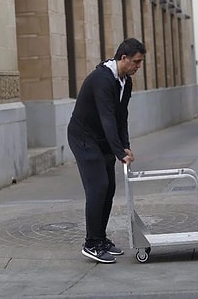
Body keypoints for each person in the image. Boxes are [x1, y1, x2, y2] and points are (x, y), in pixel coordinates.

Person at [67, 38, 146, 263]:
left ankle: (100, 239)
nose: (138, 67)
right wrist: (119, 152)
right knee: (98, 186)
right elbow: (107, 118)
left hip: (101, 139)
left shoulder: (125, 82)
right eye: (136, 62)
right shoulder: (102, 79)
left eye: (140, 63)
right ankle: (91, 243)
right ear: (123, 58)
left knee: (109, 187)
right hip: (83, 137)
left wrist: (125, 145)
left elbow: (121, 118)